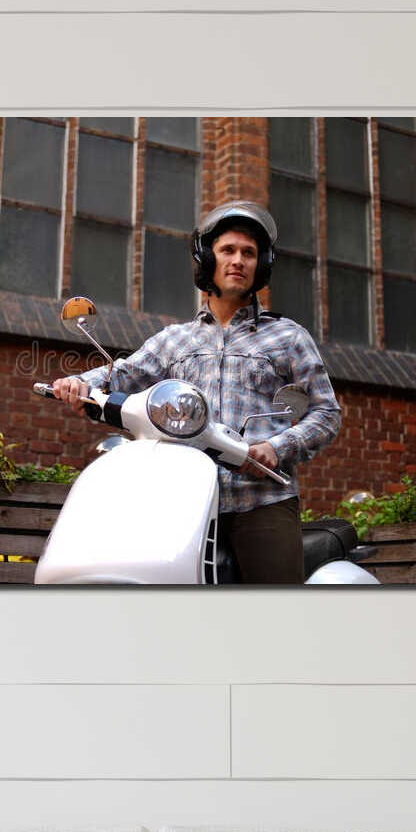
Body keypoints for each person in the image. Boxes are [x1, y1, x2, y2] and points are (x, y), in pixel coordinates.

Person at [51, 200, 341, 584]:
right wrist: (79, 383)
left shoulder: (288, 336)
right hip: (184, 502)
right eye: (227, 250)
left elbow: (325, 412)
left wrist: (278, 446)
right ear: (208, 259)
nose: (238, 260)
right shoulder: (174, 339)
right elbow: (121, 373)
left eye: (249, 253)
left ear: (262, 265)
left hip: (261, 499)